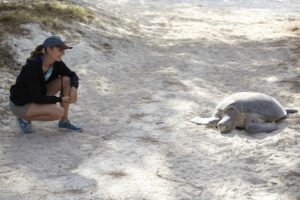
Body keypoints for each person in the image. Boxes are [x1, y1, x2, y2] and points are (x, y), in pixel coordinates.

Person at [9, 35, 82, 134]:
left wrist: (74, 88)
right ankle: (24, 118)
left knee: (66, 80)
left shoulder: (56, 62)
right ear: (49, 49)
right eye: (60, 49)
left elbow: (72, 75)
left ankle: (64, 122)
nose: (63, 53)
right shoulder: (32, 66)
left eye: (64, 50)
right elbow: (36, 97)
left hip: (37, 96)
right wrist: (59, 99)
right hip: (21, 103)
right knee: (58, 112)